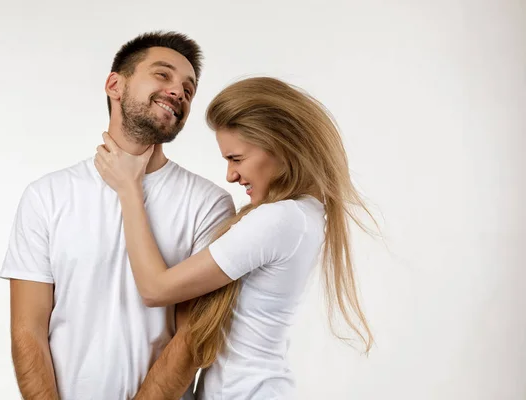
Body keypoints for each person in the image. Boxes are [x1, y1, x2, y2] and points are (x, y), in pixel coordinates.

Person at [94, 76, 375, 399]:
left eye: (236, 159)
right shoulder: (303, 215)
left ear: (282, 147)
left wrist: (129, 188)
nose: (230, 175)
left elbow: (156, 289)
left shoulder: (281, 219)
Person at [0, 31, 234, 400]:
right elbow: (27, 331)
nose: (179, 92)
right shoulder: (47, 196)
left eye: (189, 90)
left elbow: (193, 338)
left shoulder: (209, 204)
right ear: (115, 85)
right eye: (163, 75)